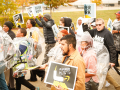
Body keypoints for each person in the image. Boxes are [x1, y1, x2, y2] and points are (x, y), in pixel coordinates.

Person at [88, 18, 120, 90]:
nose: (98, 26)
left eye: (100, 25)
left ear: (103, 24)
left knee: (99, 74)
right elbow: (86, 32)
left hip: (105, 58)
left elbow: (112, 47)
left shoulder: (107, 33)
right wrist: (85, 23)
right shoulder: (95, 31)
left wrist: (112, 61)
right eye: (96, 25)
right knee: (104, 75)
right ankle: (117, 87)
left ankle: (98, 87)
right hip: (98, 57)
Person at [3, 21, 16, 90]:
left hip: (9, 56)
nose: (3, 27)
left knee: (8, 72)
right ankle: (11, 86)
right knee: (9, 72)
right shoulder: (4, 34)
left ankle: (9, 86)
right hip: (5, 55)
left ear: (9, 27)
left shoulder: (11, 34)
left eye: (5, 26)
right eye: (3, 26)